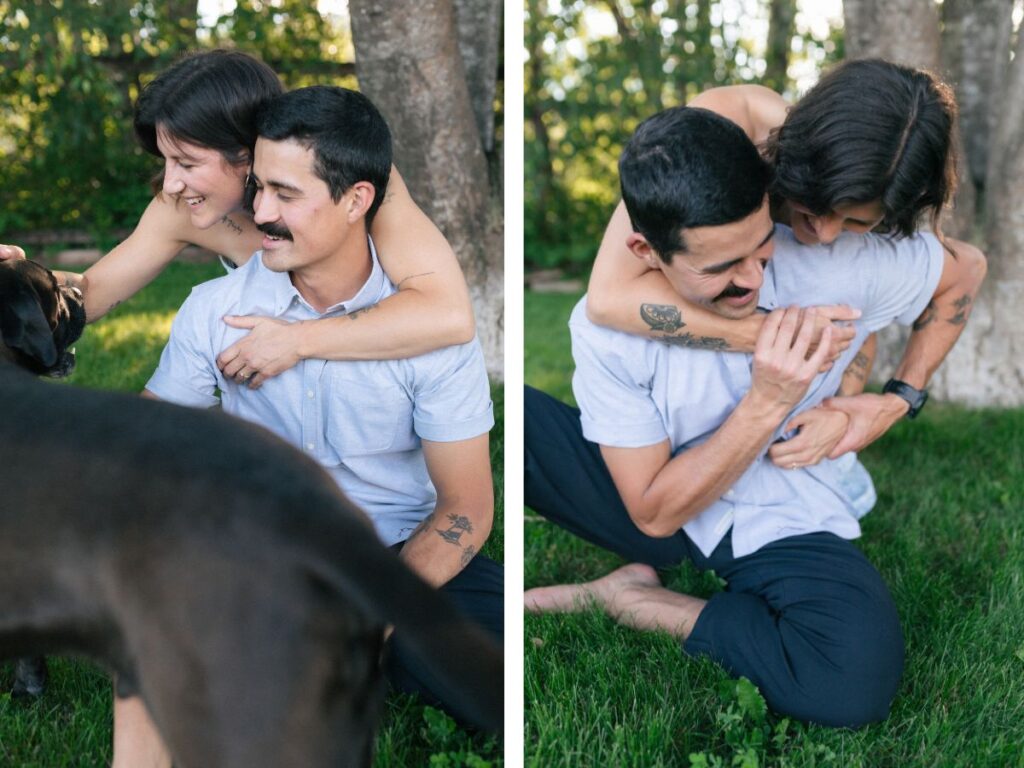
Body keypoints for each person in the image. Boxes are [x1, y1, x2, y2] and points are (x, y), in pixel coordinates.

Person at [524, 106, 985, 726]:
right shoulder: (607, 330)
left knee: (852, 681)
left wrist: (894, 399)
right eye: (719, 268)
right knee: (485, 412)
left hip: (781, 507)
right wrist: (767, 400)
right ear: (645, 251)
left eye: (761, 247)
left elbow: (965, 271)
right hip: (664, 500)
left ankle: (629, 599)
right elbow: (653, 511)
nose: (752, 277)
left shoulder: (832, 257)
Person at [126, 85, 502, 766]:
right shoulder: (217, 309)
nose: (259, 214)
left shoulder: (429, 327)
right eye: (258, 189)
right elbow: (144, 442)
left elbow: (467, 510)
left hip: (401, 552)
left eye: (286, 195)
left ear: (358, 200)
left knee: (496, 692)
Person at [0, 50, 475, 385]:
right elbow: (91, 293)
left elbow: (448, 315)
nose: (169, 184)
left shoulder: (346, 180)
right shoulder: (178, 209)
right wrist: (25, 281)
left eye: (187, 163)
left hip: (404, 380)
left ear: (247, 153)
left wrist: (298, 341)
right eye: (165, 162)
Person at [585, 59, 967, 470]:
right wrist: (775, 337)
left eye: (857, 221)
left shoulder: (885, 179)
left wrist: (885, 403)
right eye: (818, 205)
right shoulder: (723, 128)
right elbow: (607, 299)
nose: (826, 235)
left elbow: (862, 308)